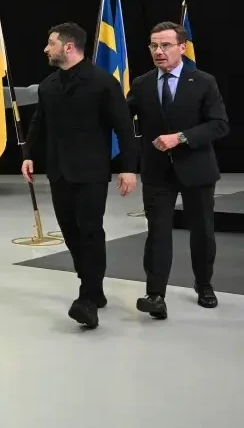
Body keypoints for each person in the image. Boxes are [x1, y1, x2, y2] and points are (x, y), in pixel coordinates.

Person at [21, 22, 138, 329]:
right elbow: (38, 123)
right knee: (70, 233)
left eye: (51, 43)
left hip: (91, 172)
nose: (46, 49)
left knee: (90, 231)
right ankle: (93, 286)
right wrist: (28, 155)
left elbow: (124, 127)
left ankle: (87, 299)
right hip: (59, 171)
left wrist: (128, 167)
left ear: (69, 47)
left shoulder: (103, 83)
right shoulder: (48, 85)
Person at [125, 21, 230, 319]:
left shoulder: (204, 81)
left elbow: (219, 125)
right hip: (157, 171)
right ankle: (155, 294)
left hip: (196, 168)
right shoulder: (143, 83)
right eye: (153, 45)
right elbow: (121, 117)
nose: (158, 51)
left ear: (182, 47)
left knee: (202, 231)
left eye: (165, 45)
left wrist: (181, 137)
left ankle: (204, 284)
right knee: (158, 232)